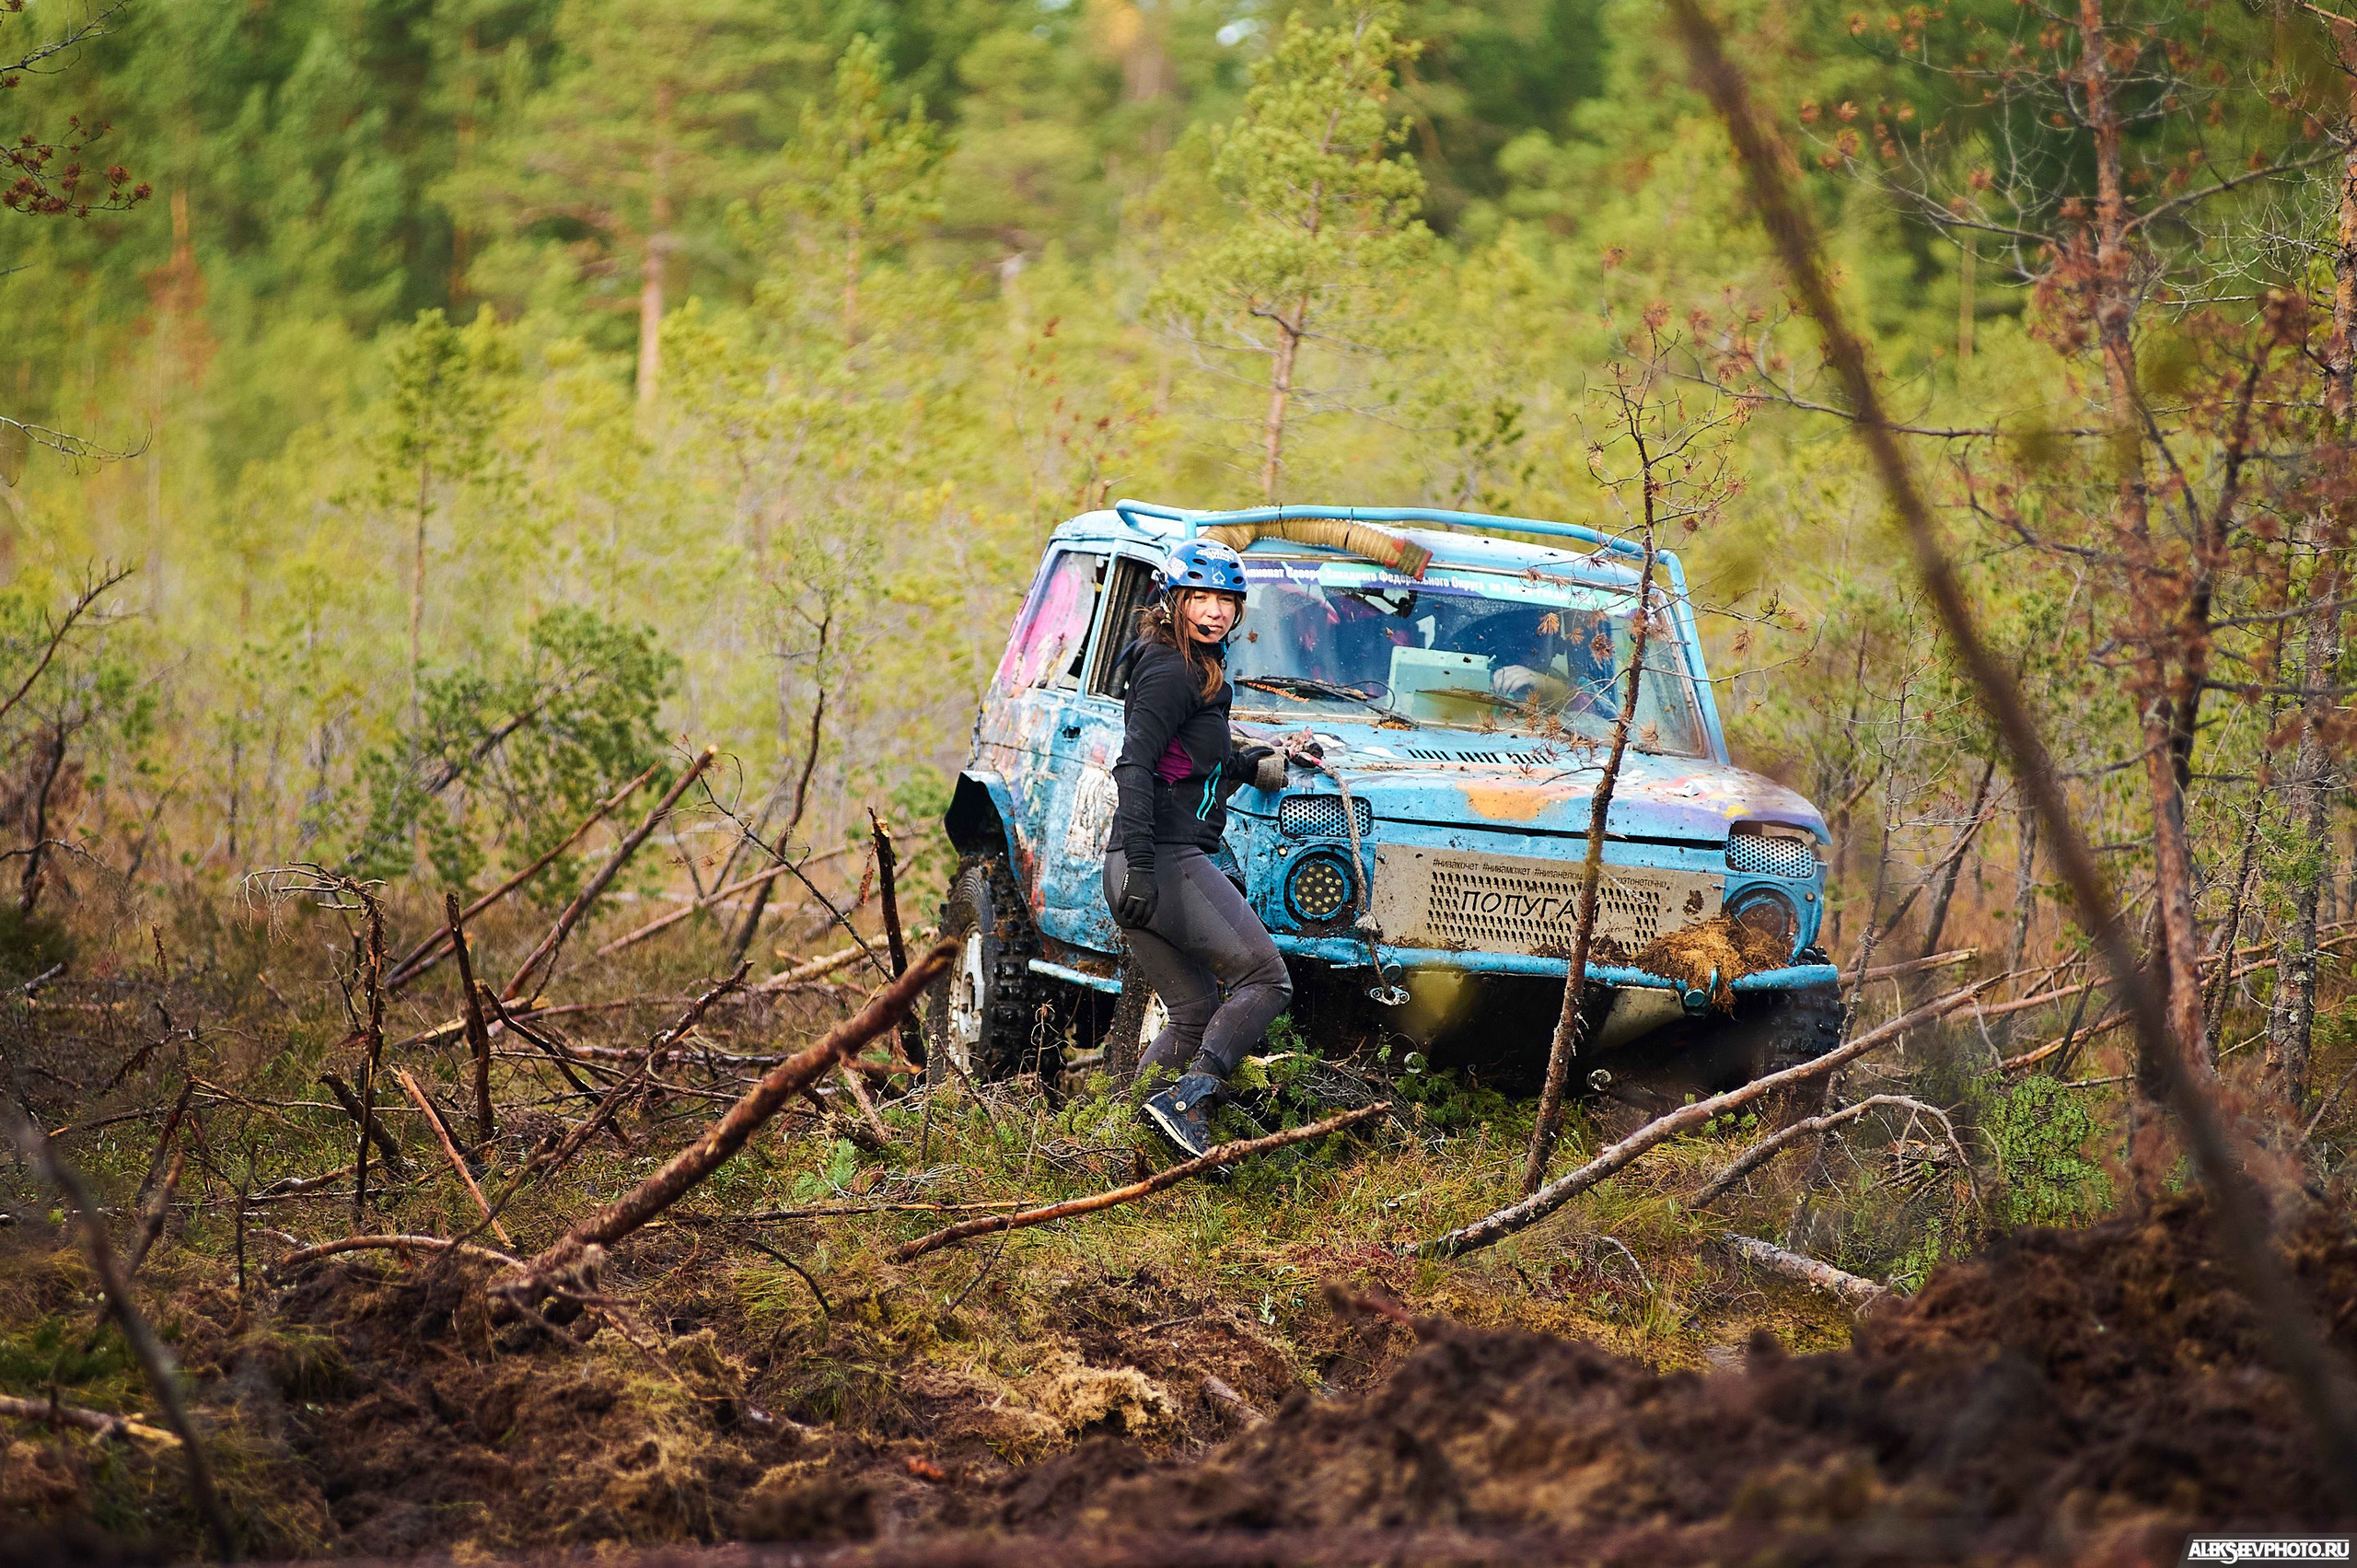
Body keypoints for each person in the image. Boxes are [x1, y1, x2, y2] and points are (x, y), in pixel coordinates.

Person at [1103, 539, 1293, 1157]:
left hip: (1142, 862)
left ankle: (1129, 1151)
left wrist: (1245, 764)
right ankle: (1191, 1097)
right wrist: (1141, 867)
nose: (1214, 611)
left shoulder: (1195, 667)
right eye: (1200, 598)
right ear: (1174, 600)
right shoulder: (1170, 669)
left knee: (1191, 1009)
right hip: (1159, 859)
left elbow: (1185, 762)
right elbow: (1134, 767)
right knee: (1266, 979)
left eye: (1226, 600)